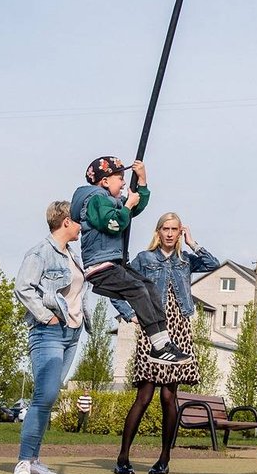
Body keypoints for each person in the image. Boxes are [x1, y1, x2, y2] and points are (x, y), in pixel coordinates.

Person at [110, 212, 220, 474]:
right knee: (144, 396)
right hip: (153, 328)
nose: (170, 234)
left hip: (179, 330)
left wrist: (192, 243)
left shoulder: (185, 260)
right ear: (158, 232)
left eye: (174, 229)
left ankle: (164, 459)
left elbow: (213, 264)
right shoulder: (144, 259)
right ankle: (123, 458)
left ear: (180, 232)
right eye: (165, 229)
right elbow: (117, 286)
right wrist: (129, 314)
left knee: (169, 397)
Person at [70, 156, 189, 366]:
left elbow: (133, 209)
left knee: (149, 287)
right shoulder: (96, 199)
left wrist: (142, 181)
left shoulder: (108, 201)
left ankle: (162, 342)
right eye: (120, 178)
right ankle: (158, 345)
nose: (124, 183)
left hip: (113, 264)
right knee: (138, 290)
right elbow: (114, 224)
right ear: (105, 181)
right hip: (100, 266)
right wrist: (127, 207)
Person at [10, 201, 93, 474]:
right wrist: (47, 317)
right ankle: (23, 462)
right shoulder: (40, 252)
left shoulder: (73, 255)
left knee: (50, 396)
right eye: (79, 220)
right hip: (48, 332)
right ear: (66, 221)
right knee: (43, 396)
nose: (82, 226)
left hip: (72, 333)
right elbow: (23, 288)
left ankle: (34, 460)